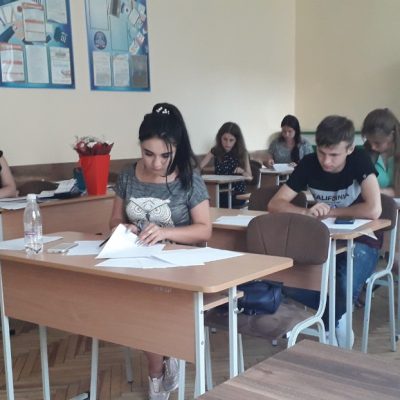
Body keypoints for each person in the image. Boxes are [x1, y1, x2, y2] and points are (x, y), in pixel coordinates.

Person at [109, 102, 212, 399]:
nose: (156, 163)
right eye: (148, 154)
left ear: (176, 149)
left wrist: (166, 232)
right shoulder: (128, 176)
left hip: (181, 265)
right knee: (133, 303)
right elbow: (114, 220)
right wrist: (124, 228)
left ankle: (157, 370)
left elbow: (204, 229)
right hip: (137, 261)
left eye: (165, 156)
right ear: (140, 147)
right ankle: (162, 364)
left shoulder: (189, 178)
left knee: (150, 305)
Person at [268, 115, 382, 348]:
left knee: (344, 283)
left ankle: (331, 322)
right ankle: (337, 317)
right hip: (323, 239)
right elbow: (275, 204)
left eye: (334, 155)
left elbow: (374, 209)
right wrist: (306, 212)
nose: (326, 161)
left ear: (350, 149)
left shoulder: (360, 160)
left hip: (363, 239)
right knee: (287, 281)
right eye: (321, 153)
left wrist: (331, 212)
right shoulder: (309, 163)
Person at [200, 122, 252, 208]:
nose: (227, 143)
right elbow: (200, 166)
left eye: (231, 140)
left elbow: (250, 177)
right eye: (225, 139)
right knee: (206, 199)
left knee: (217, 201)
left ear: (236, 140)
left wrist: (242, 171)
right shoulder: (215, 150)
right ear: (220, 138)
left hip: (236, 193)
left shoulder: (243, 152)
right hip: (218, 190)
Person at [361, 108, 400, 197]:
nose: (372, 147)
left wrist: (376, 191)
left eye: (377, 143)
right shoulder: (363, 154)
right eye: (369, 141)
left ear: (392, 135)